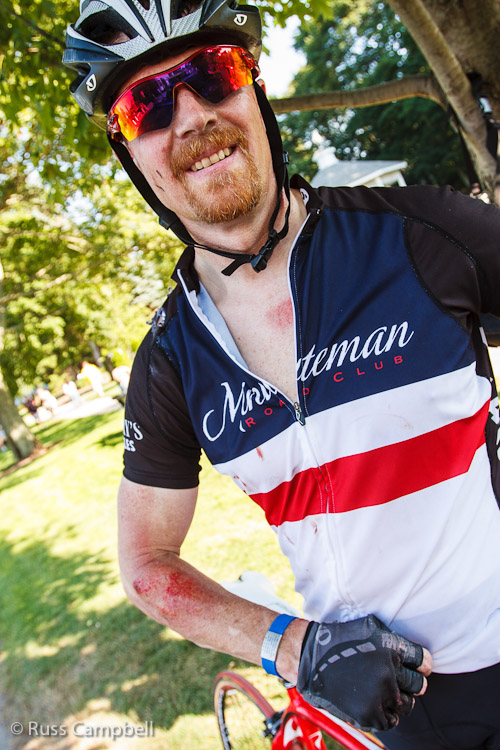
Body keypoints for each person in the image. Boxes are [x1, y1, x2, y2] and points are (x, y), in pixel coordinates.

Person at [63, 2, 500, 747]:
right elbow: (145, 564)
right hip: (389, 711)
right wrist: (295, 647)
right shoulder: (170, 361)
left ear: (255, 90)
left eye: (212, 73)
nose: (192, 115)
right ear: (128, 151)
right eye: (149, 103)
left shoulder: (424, 235)